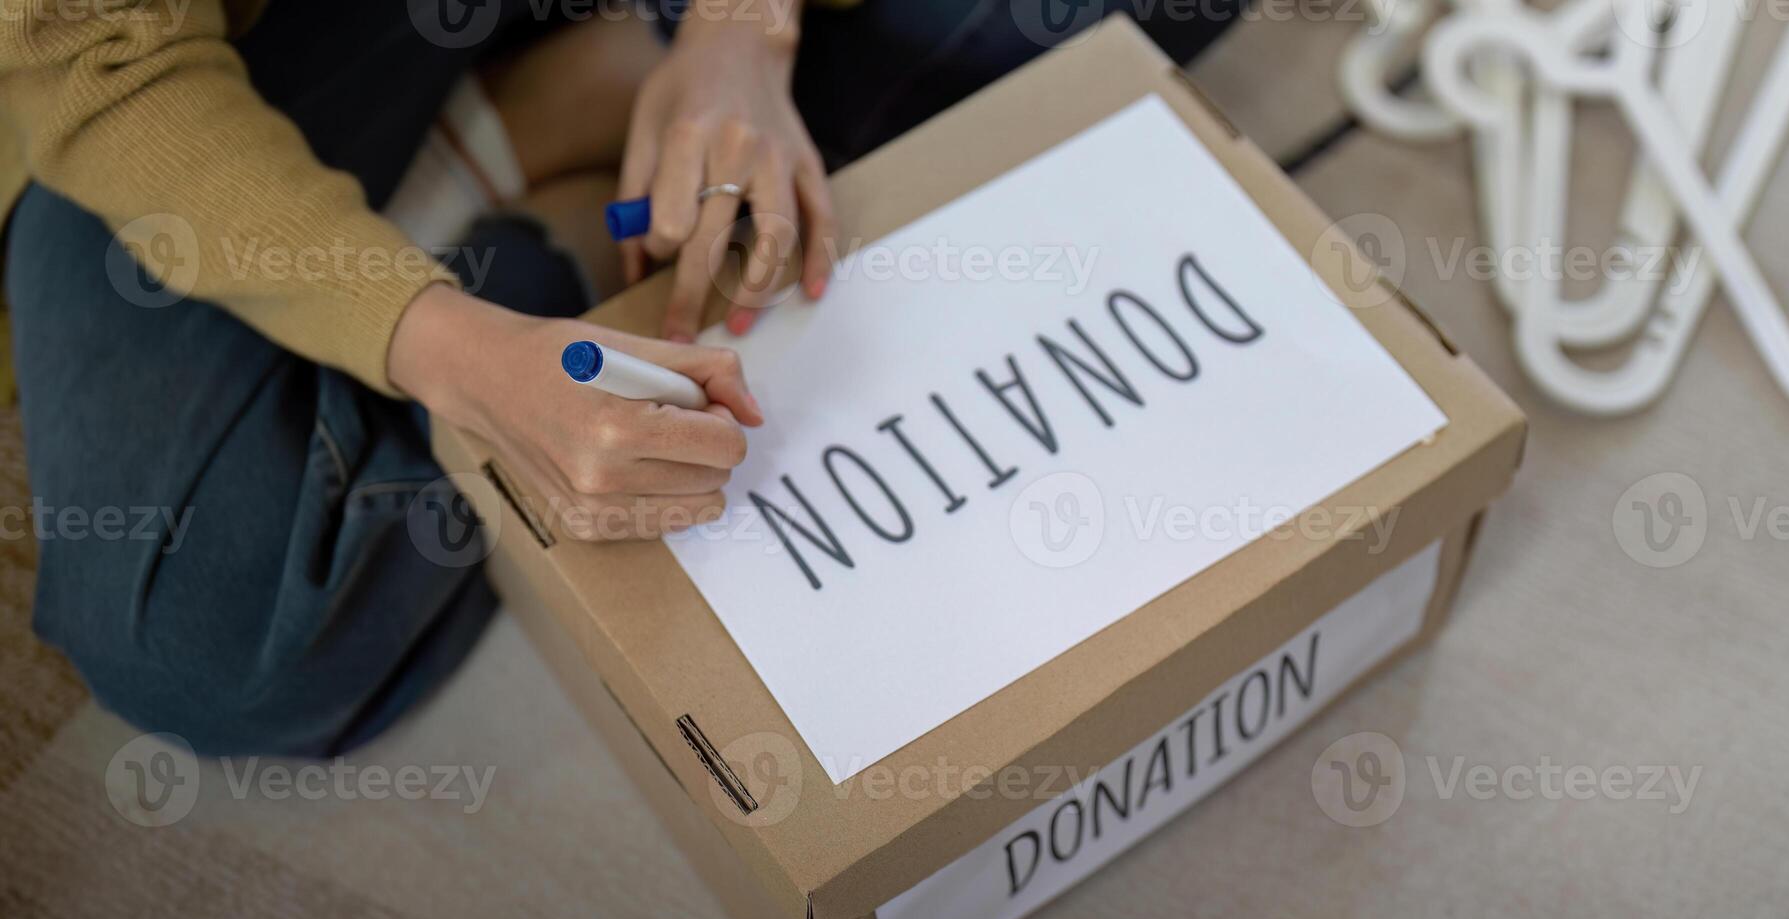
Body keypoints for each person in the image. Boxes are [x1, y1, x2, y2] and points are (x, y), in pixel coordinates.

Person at [0, 0, 1242, 757]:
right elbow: (99, 64)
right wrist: (458, 355)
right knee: (205, 638)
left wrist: (740, 34)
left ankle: (625, 96)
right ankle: (576, 161)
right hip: (208, 61)